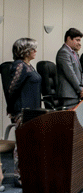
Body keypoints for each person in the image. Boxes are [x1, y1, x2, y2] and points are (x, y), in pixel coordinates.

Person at [8, 38, 42, 187]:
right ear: (25, 51)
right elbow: (12, 89)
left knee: (30, 144)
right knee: (22, 144)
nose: (35, 51)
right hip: (22, 111)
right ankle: (19, 177)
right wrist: (13, 110)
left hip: (32, 111)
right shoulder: (19, 66)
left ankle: (28, 174)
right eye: (32, 49)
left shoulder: (29, 66)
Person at [56, 28, 83, 106]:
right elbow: (70, 73)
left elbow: (80, 72)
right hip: (68, 95)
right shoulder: (63, 52)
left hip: (76, 93)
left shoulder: (74, 53)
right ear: (69, 38)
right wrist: (80, 89)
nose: (79, 43)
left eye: (80, 40)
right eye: (77, 40)